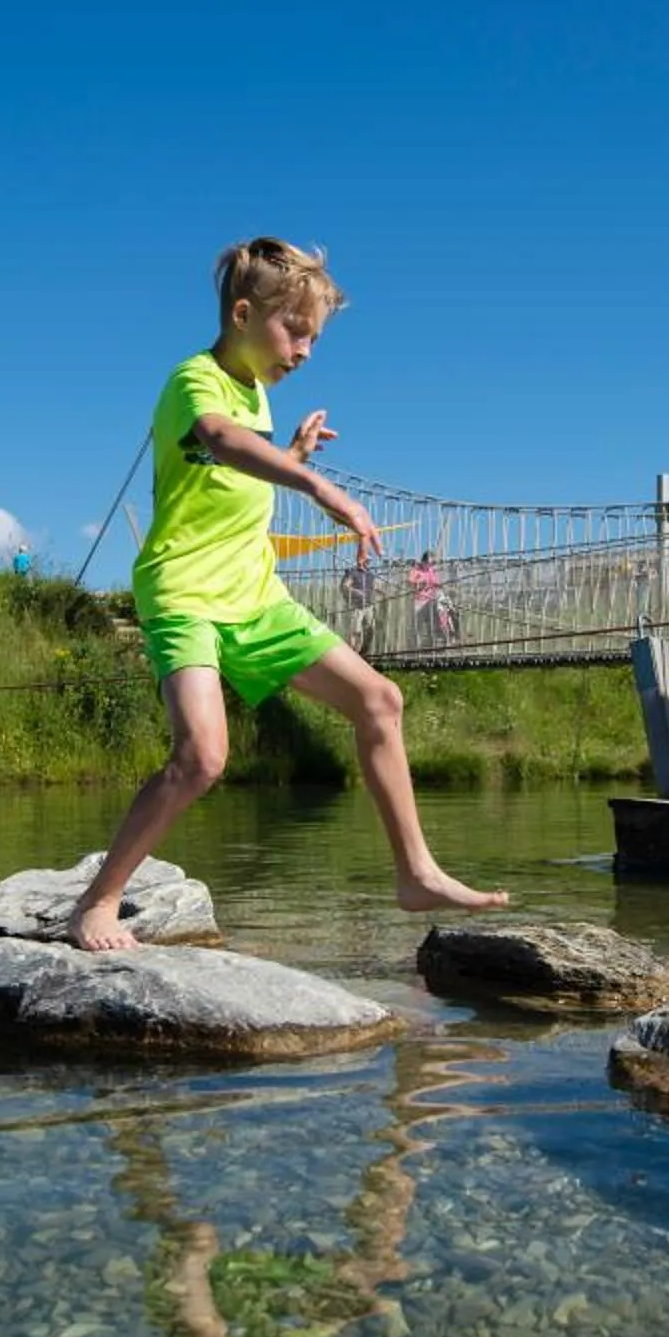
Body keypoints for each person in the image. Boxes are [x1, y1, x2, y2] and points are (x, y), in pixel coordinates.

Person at [64, 237, 506, 952]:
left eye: (314, 338)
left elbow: (232, 473)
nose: (303, 350)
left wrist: (293, 454)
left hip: (254, 592)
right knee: (203, 757)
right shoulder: (194, 380)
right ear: (242, 313)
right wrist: (317, 483)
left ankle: (415, 872)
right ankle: (98, 900)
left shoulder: (258, 396)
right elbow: (217, 439)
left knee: (379, 700)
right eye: (293, 330)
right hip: (185, 592)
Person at [409, 550, 456, 643]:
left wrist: (440, 586)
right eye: (429, 563)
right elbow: (410, 582)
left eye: (432, 563)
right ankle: (415, 644)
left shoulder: (431, 571)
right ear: (423, 561)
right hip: (419, 600)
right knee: (418, 624)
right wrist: (419, 584)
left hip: (430, 600)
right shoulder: (416, 570)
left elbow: (436, 584)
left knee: (432, 621)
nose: (430, 565)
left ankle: (437, 639)